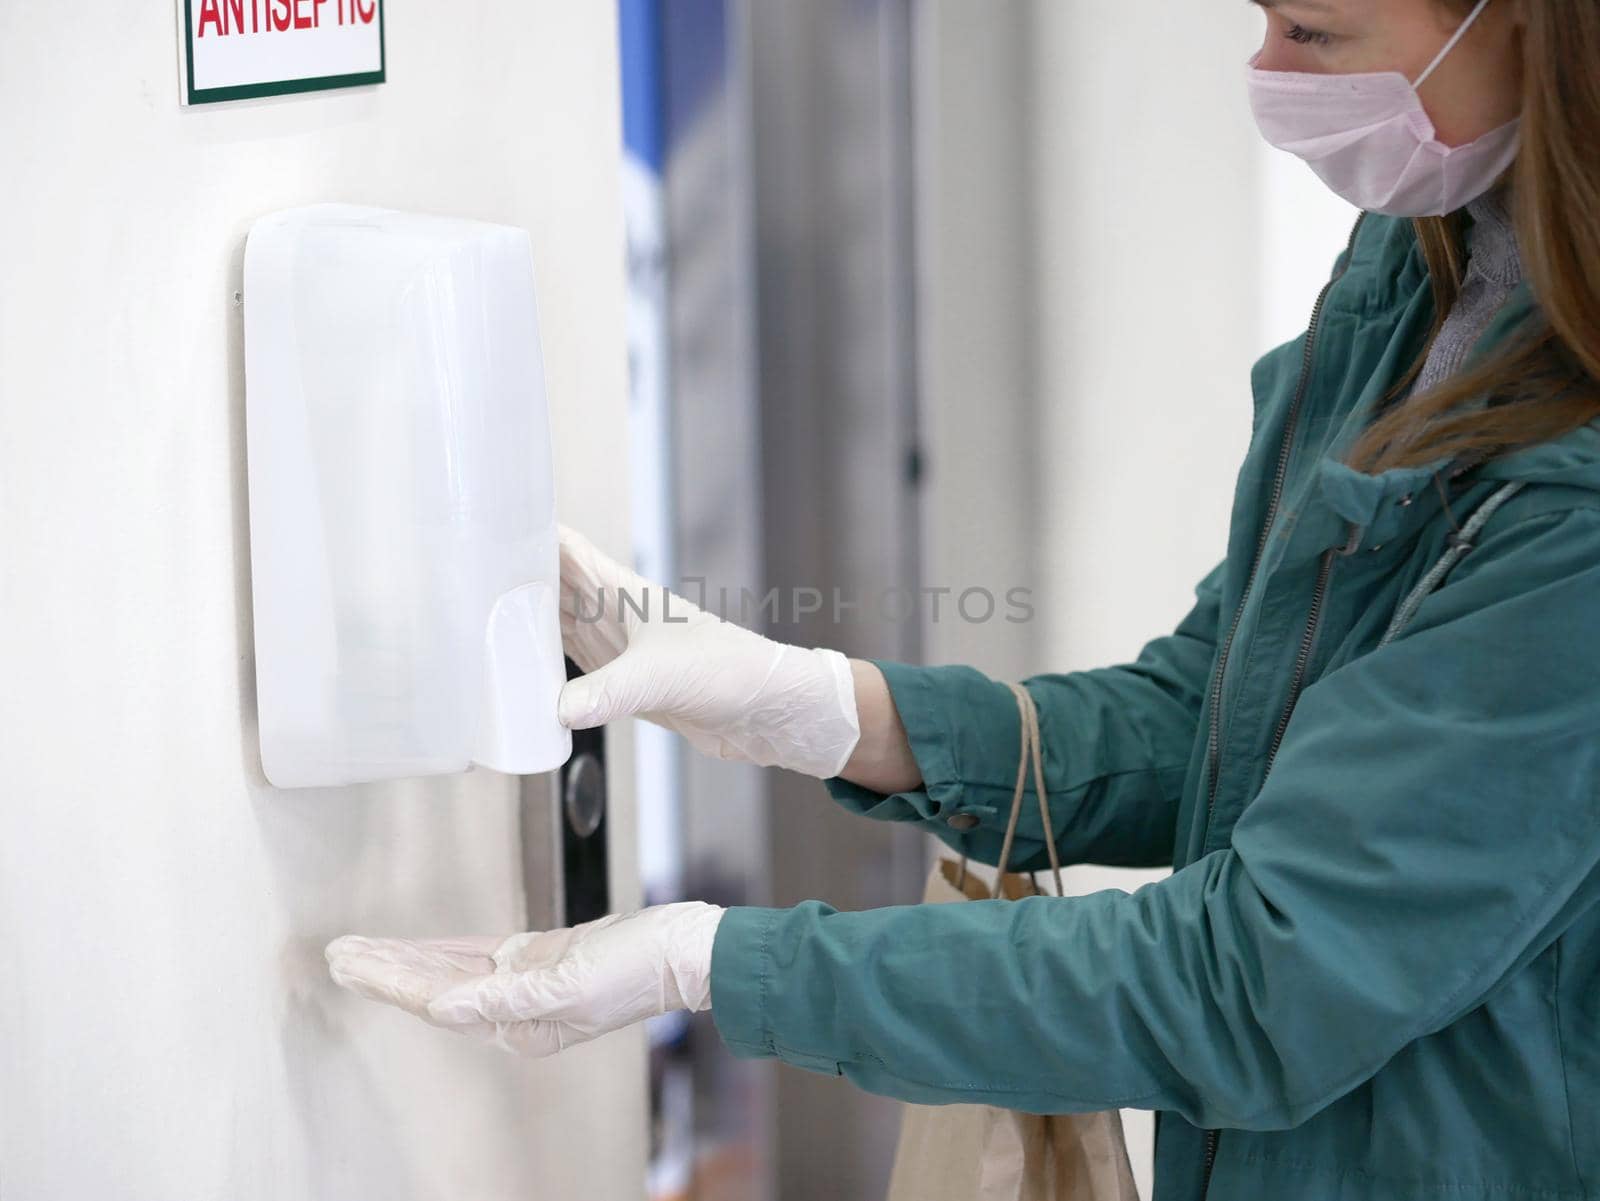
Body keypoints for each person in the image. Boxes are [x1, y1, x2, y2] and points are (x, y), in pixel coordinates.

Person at [325, 1, 1600, 1196]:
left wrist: (714, 963)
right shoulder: (1423, 263)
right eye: (1260, 16)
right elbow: (1217, 719)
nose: (1267, 75)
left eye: (1318, 31)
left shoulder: (1577, 512)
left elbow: (1258, 979)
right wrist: (824, 709)